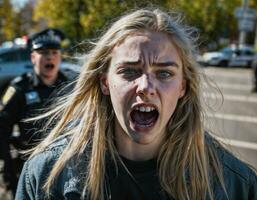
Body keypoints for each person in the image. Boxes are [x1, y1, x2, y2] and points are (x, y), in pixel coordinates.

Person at [15, 9, 257, 200]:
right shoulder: (47, 175)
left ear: (183, 86)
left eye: (164, 73)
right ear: (105, 82)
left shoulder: (235, 185)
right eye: (129, 71)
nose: (146, 86)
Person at [0, 28, 75, 196]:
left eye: (54, 52)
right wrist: (8, 170)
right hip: (30, 168)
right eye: (43, 52)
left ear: (60, 57)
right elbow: (2, 129)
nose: (49, 57)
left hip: (67, 168)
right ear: (33, 57)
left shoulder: (71, 86)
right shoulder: (20, 88)